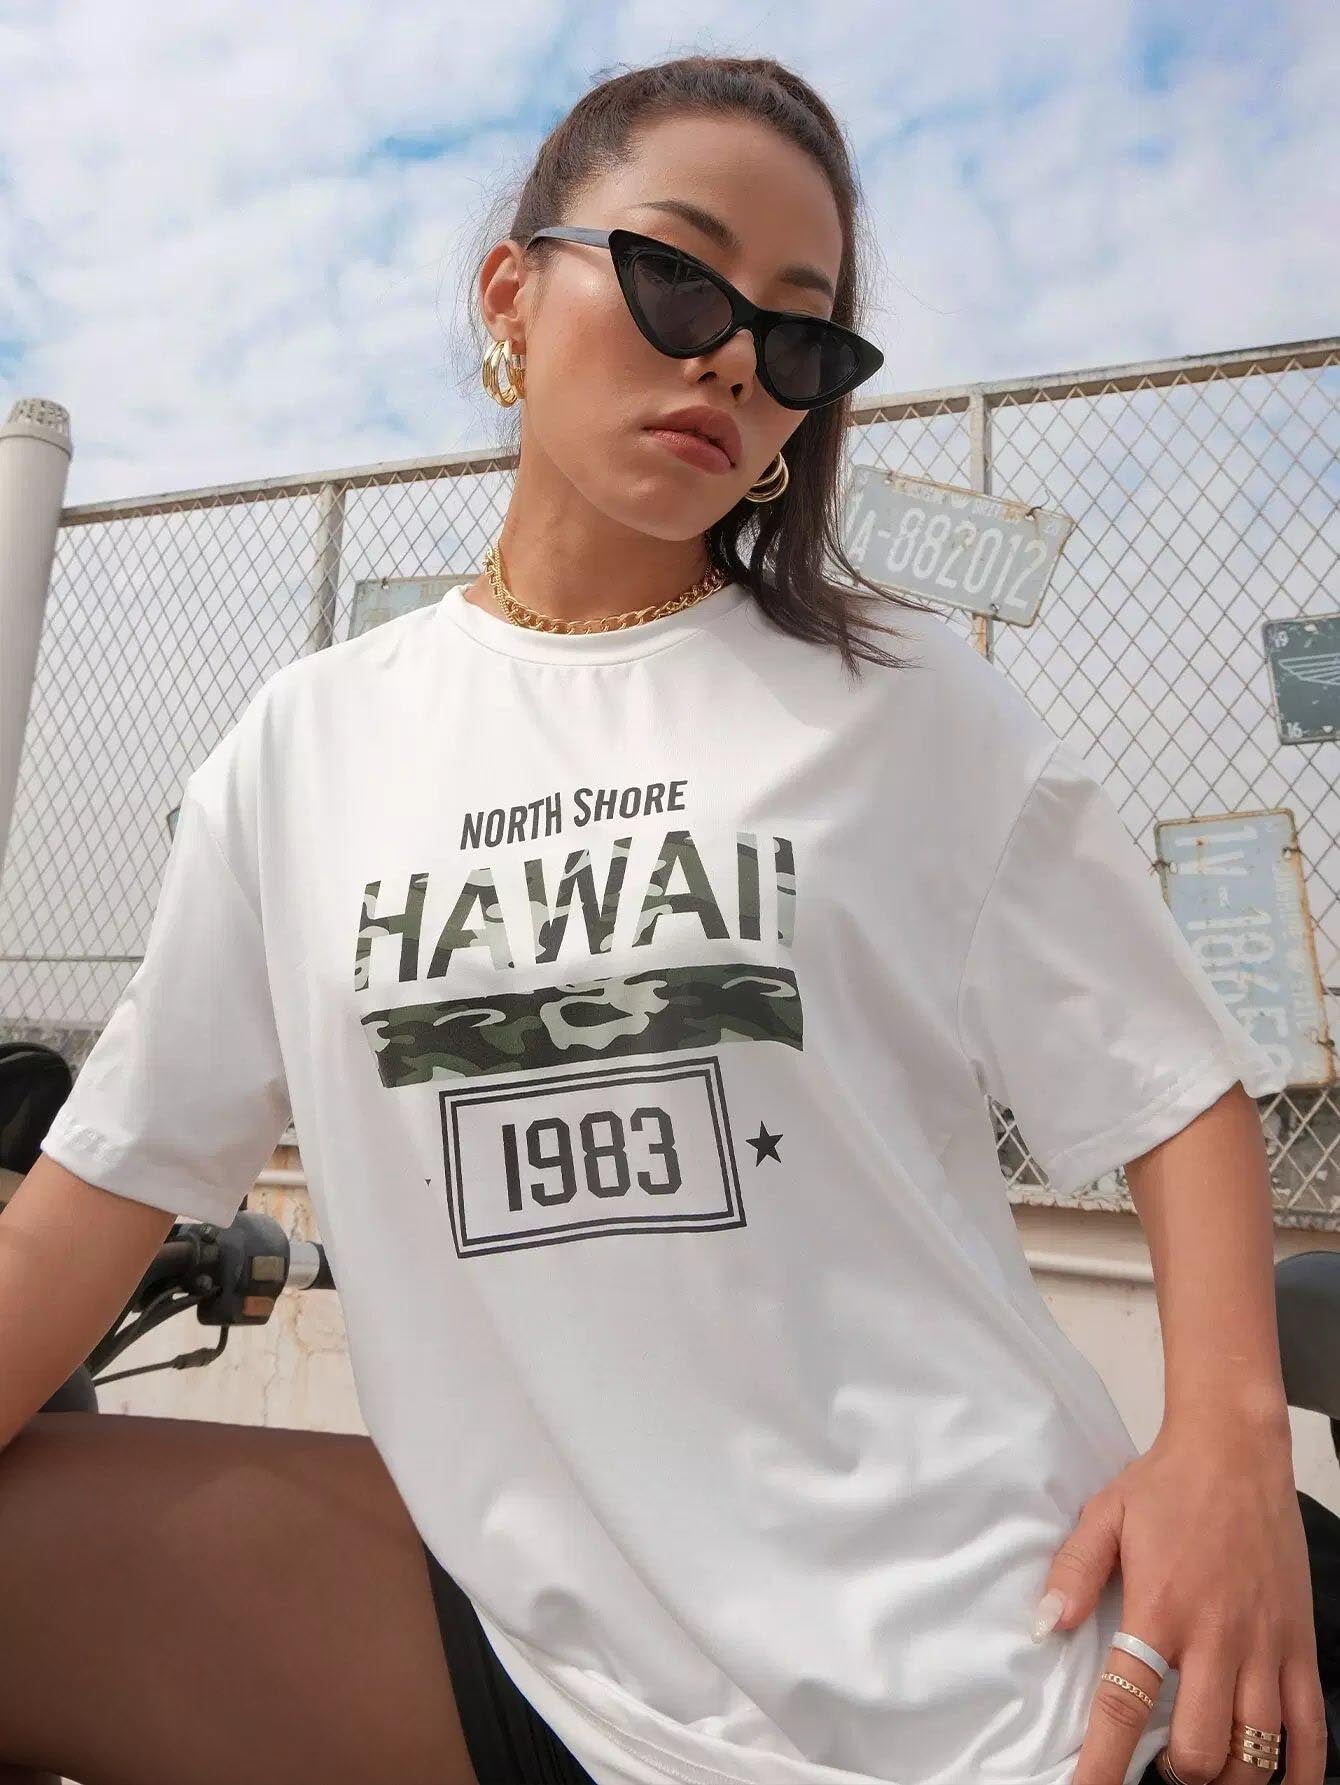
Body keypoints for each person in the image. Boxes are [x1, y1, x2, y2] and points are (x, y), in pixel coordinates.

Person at [0, 51, 1323, 1785]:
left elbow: (1169, 1085)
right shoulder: (307, 747)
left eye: (800, 338)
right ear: (510, 294)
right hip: (551, 1656)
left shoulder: (900, 701)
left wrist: (1226, 1445)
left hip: (1007, 1675)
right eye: (679, 277)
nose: (733, 360)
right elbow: (93, 1202)